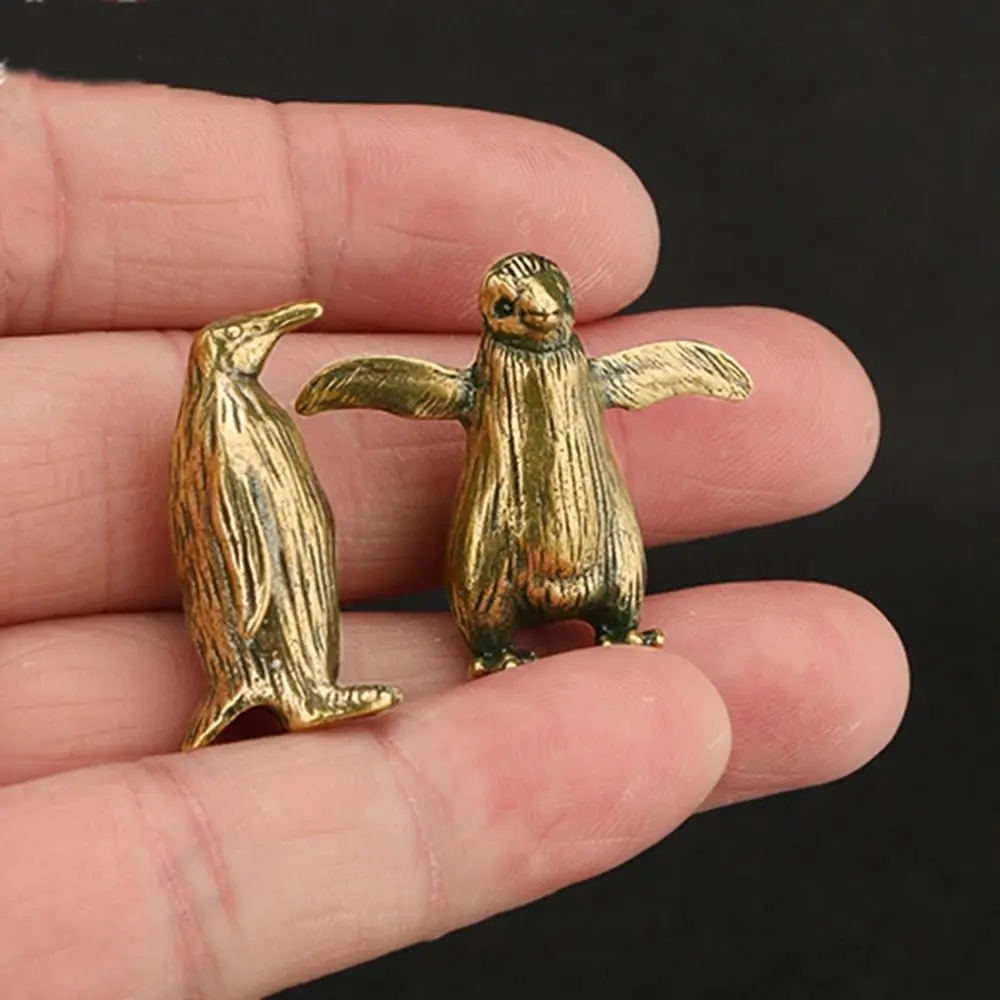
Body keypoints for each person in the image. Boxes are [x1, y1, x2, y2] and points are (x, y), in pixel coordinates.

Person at [0, 73, 909, 999]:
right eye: (516, 311)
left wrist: (696, 371)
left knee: (610, 557)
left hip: (589, 534)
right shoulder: (447, 390)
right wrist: (347, 384)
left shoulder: (572, 372)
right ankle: (483, 642)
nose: (537, 321)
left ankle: (610, 620)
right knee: (486, 562)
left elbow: (634, 373)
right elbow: (419, 391)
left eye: (546, 307)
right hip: (498, 545)